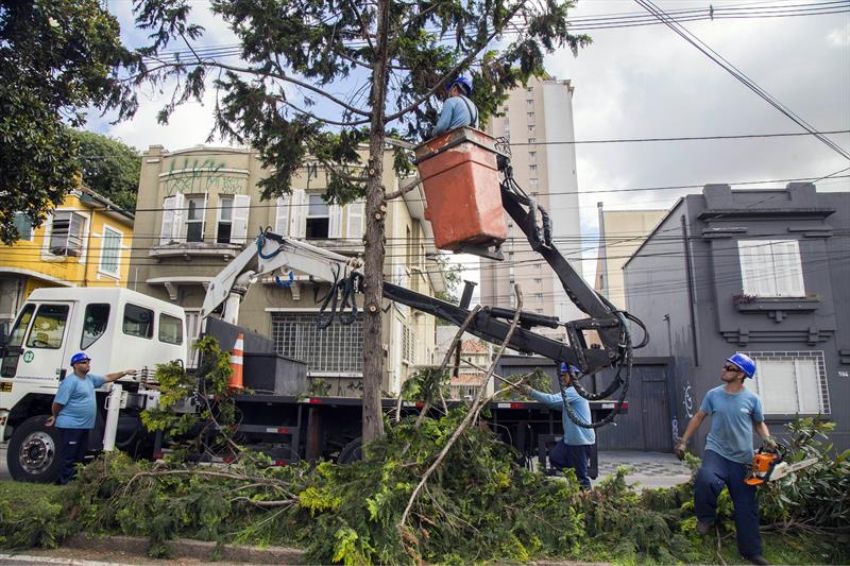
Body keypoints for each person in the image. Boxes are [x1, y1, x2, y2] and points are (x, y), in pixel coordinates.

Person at [674, 352, 775, 566]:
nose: (724, 369)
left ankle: (751, 552)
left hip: (743, 460)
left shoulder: (752, 399)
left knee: (746, 508)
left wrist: (768, 440)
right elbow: (699, 417)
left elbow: (759, 423)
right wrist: (683, 441)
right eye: (725, 365)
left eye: (729, 368)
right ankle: (706, 518)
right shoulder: (713, 395)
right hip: (717, 452)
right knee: (706, 478)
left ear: (741, 375)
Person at [46, 352, 137, 484]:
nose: (87, 364)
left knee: (79, 456)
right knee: (68, 457)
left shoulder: (89, 379)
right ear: (75, 365)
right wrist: (55, 416)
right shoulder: (70, 382)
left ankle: (72, 482)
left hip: (83, 426)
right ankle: (65, 483)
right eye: (84, 362)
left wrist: (124, 372)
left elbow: (107, 377)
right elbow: (57, 403)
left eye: (88, 361)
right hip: (70, 426)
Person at [521, 363, 595, 489]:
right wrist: (530, 394)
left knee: (582, 477)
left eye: (564, 375)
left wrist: (530, 391)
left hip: (580, 442)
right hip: (570, 441)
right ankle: (574, 479)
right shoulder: (571, 392)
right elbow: (555, 404)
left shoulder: (574, 391)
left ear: (572, 375)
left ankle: (589, 502)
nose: (562, 378)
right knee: (555, 457)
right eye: (561, 375)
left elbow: (552, 400)